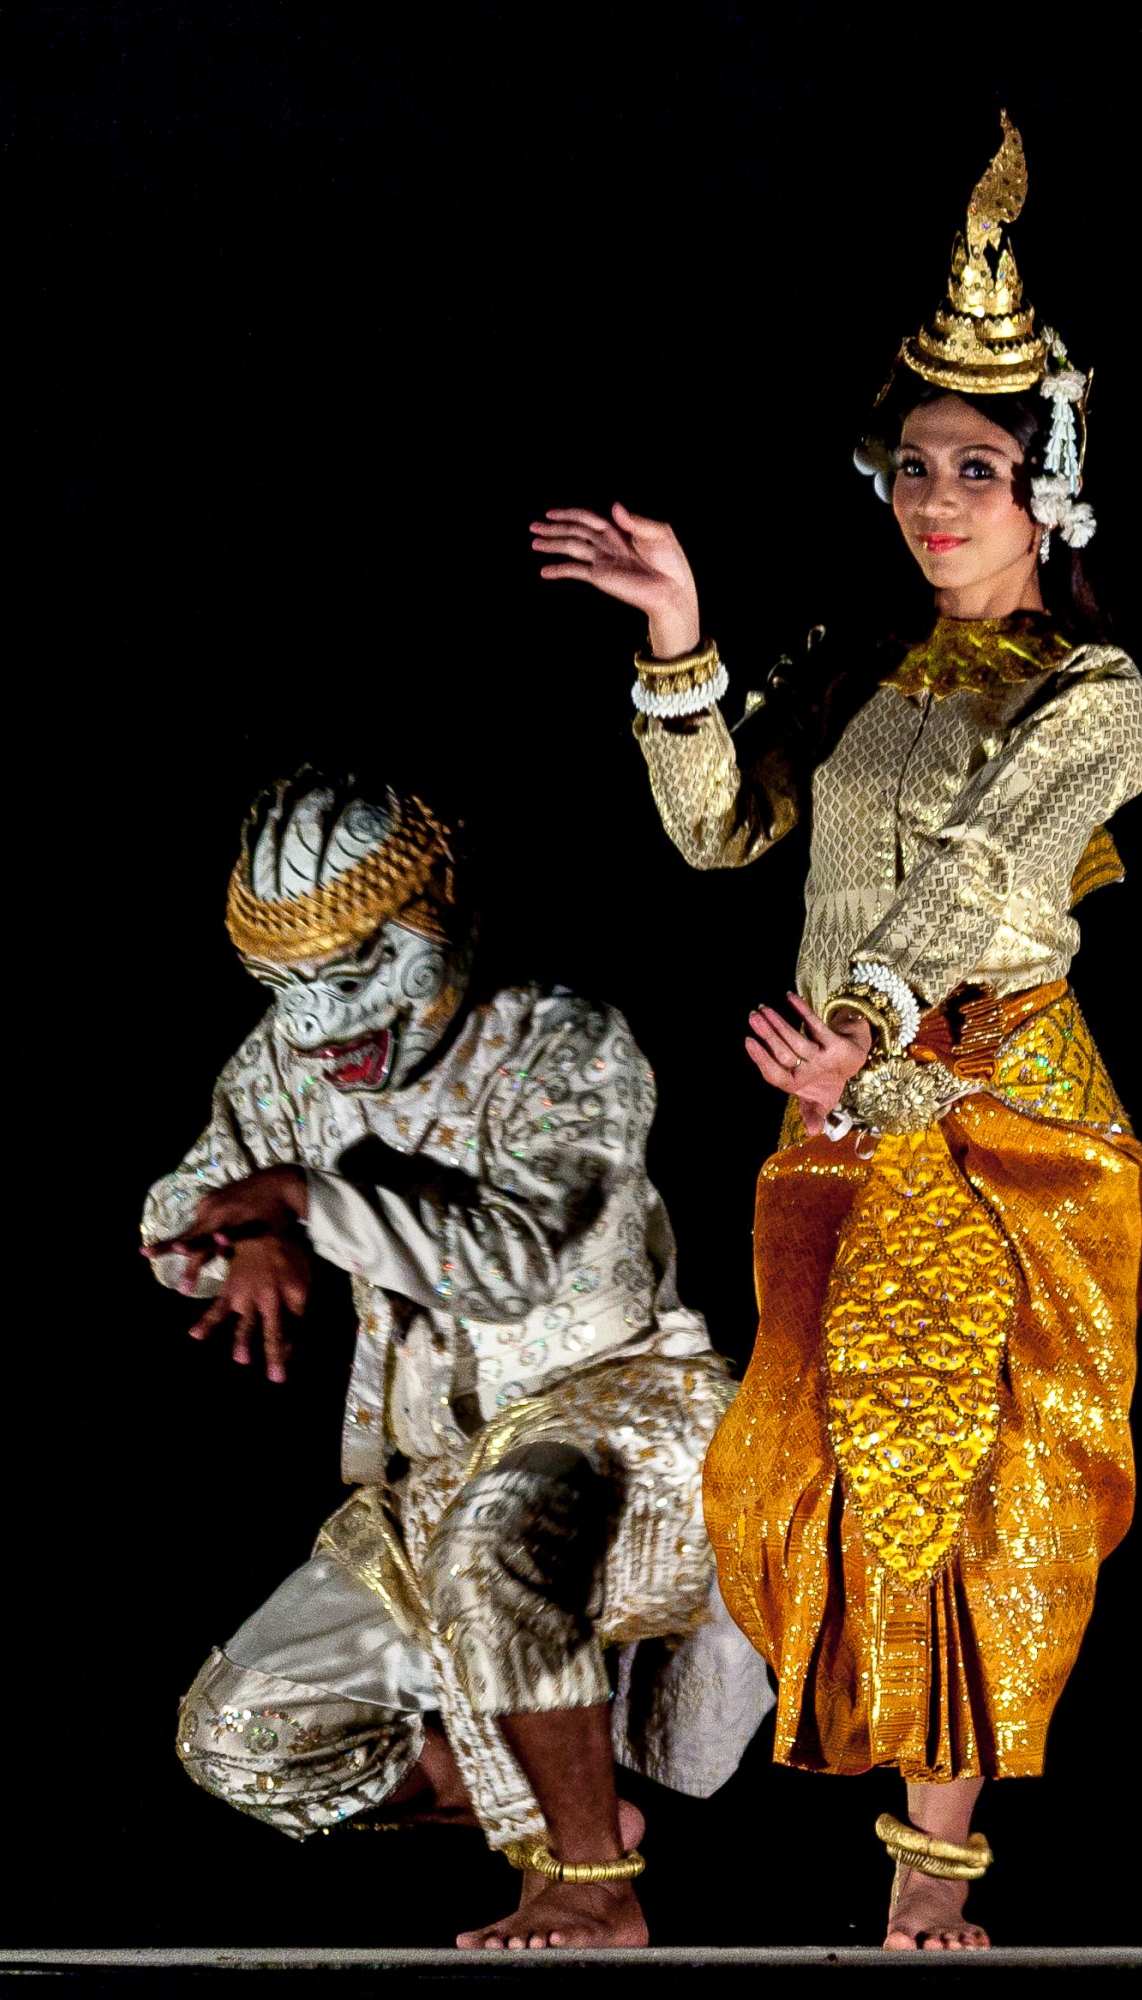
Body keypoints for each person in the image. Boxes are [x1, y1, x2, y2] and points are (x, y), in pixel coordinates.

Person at [527, 113, 1142, 1951]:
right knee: (805, 1461)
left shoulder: (1093, 692)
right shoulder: (856, 660)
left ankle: (930, 1869)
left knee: (979, 1466)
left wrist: (873, 1040)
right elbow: (719, 830)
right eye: (913, 464)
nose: (936, 498)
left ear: (1052, 488)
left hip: (998, 1111)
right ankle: (680, 1825)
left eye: (978, 467)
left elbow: (982, 878)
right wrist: (680, 641)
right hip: (836, 1103)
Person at [143, 771, 769, 1951]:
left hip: (636, 1427)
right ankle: (547, 1809)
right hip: (438, 1469)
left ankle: (595, 1878)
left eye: (346, 977)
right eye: (284, 987)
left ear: (433, 919)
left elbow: (518, 1261)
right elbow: (175, 1218)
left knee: (495, 1543)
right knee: (239, 1736)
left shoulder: (563, 1043)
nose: (318, 1025)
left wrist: (304, 1201)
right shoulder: (287, 1062)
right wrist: (253, 1232)